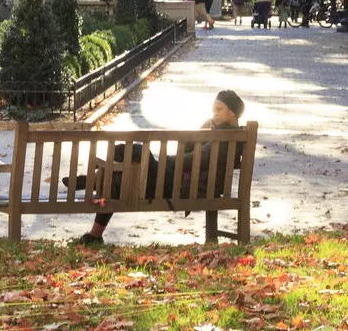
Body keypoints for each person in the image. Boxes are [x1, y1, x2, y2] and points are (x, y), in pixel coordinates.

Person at [78, 89, 248, 244]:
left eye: (219, 110)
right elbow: (190, 155)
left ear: (232, 113)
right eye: (213, 110)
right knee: (121, 178)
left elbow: (195, 159)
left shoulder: (226, 138)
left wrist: (163, 161)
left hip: (183, 186)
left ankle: (97, 177)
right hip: (181, 183)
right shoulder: (224, 135)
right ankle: (95, 231)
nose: (214, 114)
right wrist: (199, 133)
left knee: (138, 151)